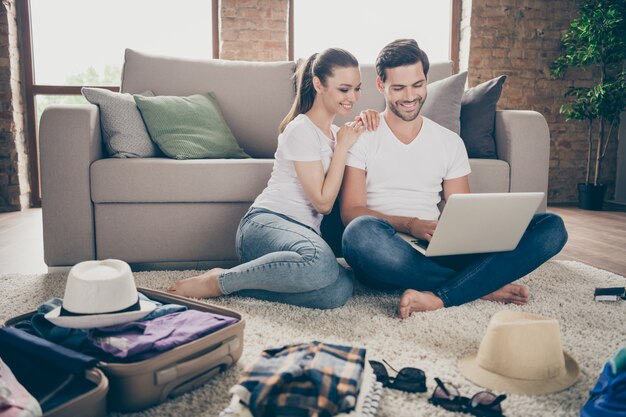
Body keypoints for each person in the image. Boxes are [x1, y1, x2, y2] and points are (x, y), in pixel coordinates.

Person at [340, 39, 568, 318]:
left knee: (552, 226)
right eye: (398, 88)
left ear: (426, 81)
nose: (410, 96)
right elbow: (351, 213)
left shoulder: (449, 142)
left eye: (417, 85)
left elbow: (463, 212)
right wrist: (410, 225)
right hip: (387, 250)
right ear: (380, 85)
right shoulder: (363, 135)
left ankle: (441, 295)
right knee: (358, 235)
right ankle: (478, 286)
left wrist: (469, 232)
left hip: (436, 248)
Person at [168, 48, 379, 309]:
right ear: (318, 85)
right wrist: (343, 148)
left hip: (302, 236)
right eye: (344, 89)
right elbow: (323, 204)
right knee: (322, 263)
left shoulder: (339, 134)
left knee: (337, 291)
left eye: (357, 89)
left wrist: (374, 121)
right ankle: (220, 280)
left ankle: (246, 286)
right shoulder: (301, 129)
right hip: (266, 225)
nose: (353, 97)